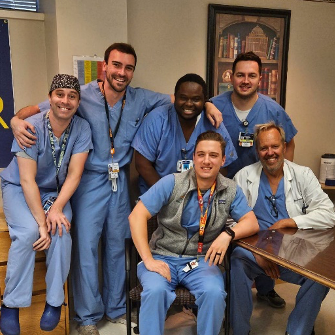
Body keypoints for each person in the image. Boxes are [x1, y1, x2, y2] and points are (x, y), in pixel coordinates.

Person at [9, 43, 223, 335]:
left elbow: (182, 98)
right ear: (105, 67)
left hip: (119, 180)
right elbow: (32, 110)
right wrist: (15, 121)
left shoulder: (139, 98)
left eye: (128, 67)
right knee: (85, 248)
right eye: (117, 65)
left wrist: (209, 103)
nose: (122, 73)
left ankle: (117, 308)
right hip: (88, 179)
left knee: (116, 246)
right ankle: (87, 317)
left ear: (133, 71)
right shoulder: (79, 95)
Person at [129, 131, 259, 335]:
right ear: (194, 157)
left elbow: (251, 222)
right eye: (201, 154)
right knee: (155, 291)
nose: (206, 161)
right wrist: (148, 260)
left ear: (223, 159)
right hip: (163, 256)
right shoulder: (172, 182)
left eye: (213, 155)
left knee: (214, 293)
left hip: (202, 260)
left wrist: (227, 235)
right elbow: (136, 216)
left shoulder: (230, 189)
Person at [0, 74, 92, 335]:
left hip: (55, 192)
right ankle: (10, 305)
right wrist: (41, 223)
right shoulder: (30, 126)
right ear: (49, 98)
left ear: (78, 101)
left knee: (61, 229)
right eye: (59, 94)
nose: (65, 101)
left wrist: (56, 208)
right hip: (20, 188)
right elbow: (27, 180)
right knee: (29, 233)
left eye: (72, 96)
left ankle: (53, 302)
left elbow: (74, 174)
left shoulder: (82, 129)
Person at [211, 51, 298, 308]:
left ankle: (265, 287)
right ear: (231, 77)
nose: (245, 80)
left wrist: (281, 177)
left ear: (260, 78)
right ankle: (226, 293)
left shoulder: (272, 109)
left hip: (261, 188)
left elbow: (289, 141)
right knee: (226, 237)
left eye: (251, 75)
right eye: (240, 75)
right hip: (224, 186)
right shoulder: (216, 104)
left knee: (264, 234)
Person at [231, 122, 335, 335]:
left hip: (294, 251)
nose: (270, 153)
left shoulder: (302, 175)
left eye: (275, 146)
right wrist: (258, 252)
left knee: (320, 278)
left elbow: (329, 214)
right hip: (254, 251)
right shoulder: (243, 177)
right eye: (263, 148)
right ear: (257, 150)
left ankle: (298, 330)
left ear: (284, 147)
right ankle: (240, 330)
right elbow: (231, 222)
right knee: (237, 261)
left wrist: (289, 222)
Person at [132, 73, 237, 195]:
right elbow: (142, 164)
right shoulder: (156, 120)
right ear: (175, 97)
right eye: (183, 97)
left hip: (201, 197)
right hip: (159, 195)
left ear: (205, 100)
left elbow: (223, 165)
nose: (188, 103)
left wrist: (205, 194)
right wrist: (165, 196)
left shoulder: (213, 122)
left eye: (196, 99)